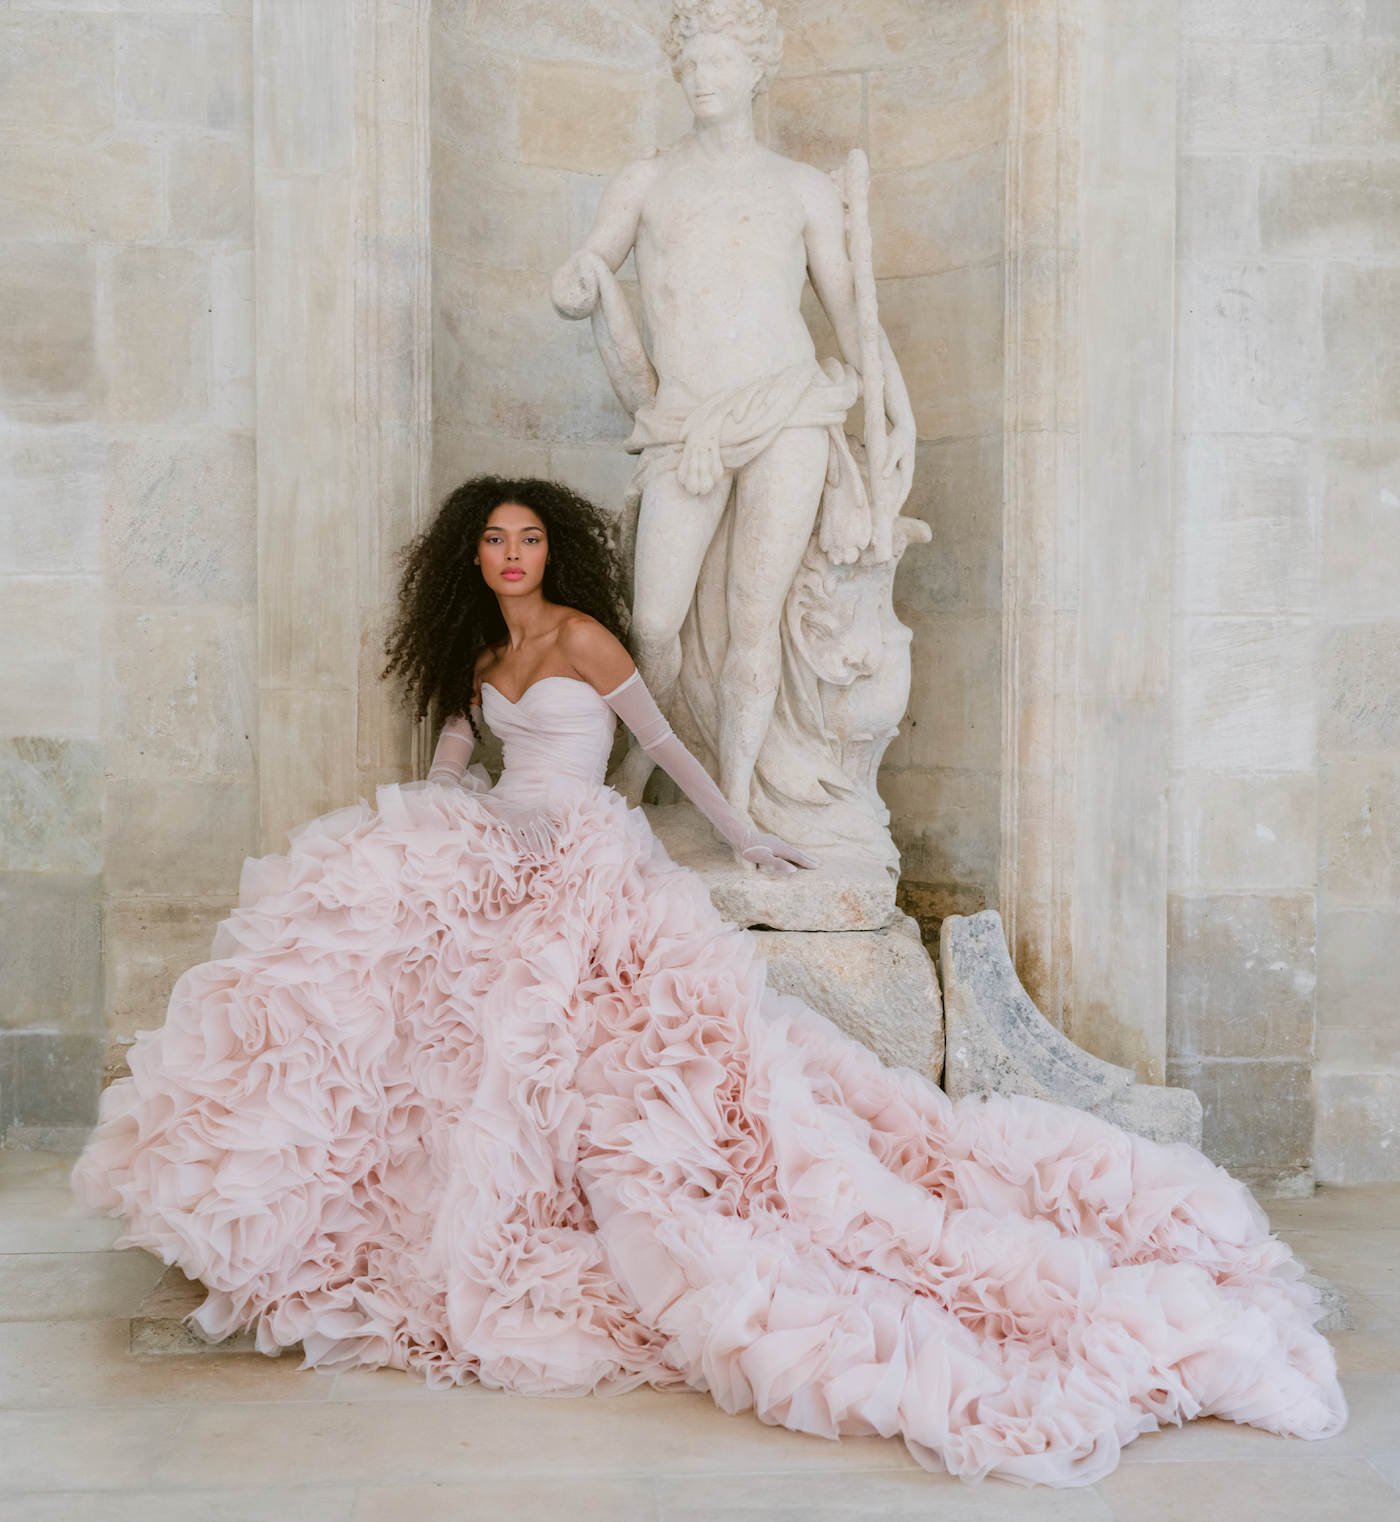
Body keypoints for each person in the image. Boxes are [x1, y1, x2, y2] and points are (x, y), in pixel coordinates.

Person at [74, 478, 1345, 1489]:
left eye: (528, 540)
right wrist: (441, 819)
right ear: (472, 556)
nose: (514, 556)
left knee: (585, 1053)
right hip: (496, 851)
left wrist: (741, 837)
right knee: (372, 969)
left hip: (581, 858)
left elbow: (661, 743)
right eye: (496, 542)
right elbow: (457, 764)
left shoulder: (579, 635)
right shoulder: (481, 655)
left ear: (549, 553)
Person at [550, 0, 917, 825]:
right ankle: (653, 752)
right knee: (653, 621)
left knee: (755, 612)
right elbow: (594, 261)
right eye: (691, 65)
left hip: (788, 410)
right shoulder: (647, 180)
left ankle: (739, 805)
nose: (702, 78)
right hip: (686, 423)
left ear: (756, 70)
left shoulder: (801, 188)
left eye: (719, 62)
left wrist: (899, 410)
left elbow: (854, 316)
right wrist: (576, 282)